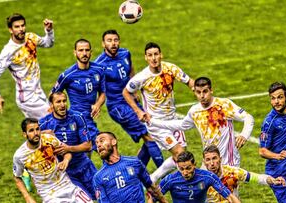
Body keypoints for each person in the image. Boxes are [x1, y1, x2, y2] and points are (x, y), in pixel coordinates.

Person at [123, 42, 194, 182]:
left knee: (181, 154)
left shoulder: (170, 68)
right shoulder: (142, 77)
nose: (154, 58)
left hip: (173, 120)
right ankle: (177, 186)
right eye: (150, 55)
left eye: (156, 54)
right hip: (156, 123)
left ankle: (152, 180)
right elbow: (126, 92)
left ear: (161, 55)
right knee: (180, 154)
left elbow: (189, 81)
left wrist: (198, 92)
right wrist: (138, 111)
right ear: (146, 58)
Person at [94, 30, 163, 168]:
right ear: (103, 43)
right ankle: (166, 174)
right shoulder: (99, 65)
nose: (113, 43)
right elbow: (97, 88)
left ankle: (136, 171)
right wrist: (96, 105)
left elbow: (130, 68)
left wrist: (134, 87)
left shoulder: (125, 53)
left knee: (152, 135)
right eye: (109, 40)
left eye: (115, 40)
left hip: (132, 102)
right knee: (149, 136)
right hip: (118, 107)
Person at [149, 77, 254, 167]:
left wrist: (244, 135)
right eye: (198, 92)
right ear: (194, 92)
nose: (202, 96)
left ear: (211, 90)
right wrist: (153, 122)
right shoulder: (194, 111)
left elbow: (248, 118)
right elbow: (181, 125)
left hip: (229, 163)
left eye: (205, 91)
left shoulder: (224, 105)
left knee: (229, 191)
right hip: (208, 162)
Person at [0, 13, 54, 119]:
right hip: (28, 98)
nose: (21, 29)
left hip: (38, 92)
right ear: (10, 30)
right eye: (17, 27)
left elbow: (48, 43)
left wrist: (49, 31)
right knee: (54, 123)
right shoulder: (8, 51)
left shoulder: (30, 38)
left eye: (23, 25)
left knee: (42, 131)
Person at [13, 118, 93, 203]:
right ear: (24, 134)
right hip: (50, 195)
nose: (36, 133)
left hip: (69, 186)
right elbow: (17, 177)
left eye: (37, 129)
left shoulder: (49, 139)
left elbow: (67, 152)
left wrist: (66, 160)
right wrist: (27, 197)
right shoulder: (20, 156)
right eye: (31, 131)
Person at [39, 92, 98, 200]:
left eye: (64, 101)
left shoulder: (77, 117)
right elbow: (33, 145)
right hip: (66, 173)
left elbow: (88, 146)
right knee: (83, 200)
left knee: (103, 195)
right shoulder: (44, 124)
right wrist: (43, 136)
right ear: (51, 105)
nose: (62, 104)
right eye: (58, 102)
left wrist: (68, 148)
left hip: (85, 166)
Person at [51, 38, 105, 152]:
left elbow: (103, 93)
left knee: (85, 153)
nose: (84, 53)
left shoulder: (99, 70)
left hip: (89, 117)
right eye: (80, 50)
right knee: (103, 147)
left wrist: (98, 104)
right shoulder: (67, 75)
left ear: (91, 52)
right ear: (75, 52)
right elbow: (53, 94)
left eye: (87, 50)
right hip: (77, 117)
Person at [92, 132, 167, 203]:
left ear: (113, 142)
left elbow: (151, 187)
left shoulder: (134, 162)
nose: (98, 145)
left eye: (102, 141)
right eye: (97, 143)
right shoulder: (98, 177)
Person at [203, 145, 286, 202]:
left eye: (214, 158)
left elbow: (256, 178)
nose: (212, 163)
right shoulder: (201, 179)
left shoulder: (232, 172)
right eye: (208, 160)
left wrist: (273, 180)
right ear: (204, 162)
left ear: (220, 159)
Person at [156, 151, 240, 203]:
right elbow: (152, 197)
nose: (185, 172)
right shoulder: (170, 180)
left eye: (188, 168)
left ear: (194, 165)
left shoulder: (207, 177)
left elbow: (230, 196)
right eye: (181, 169)